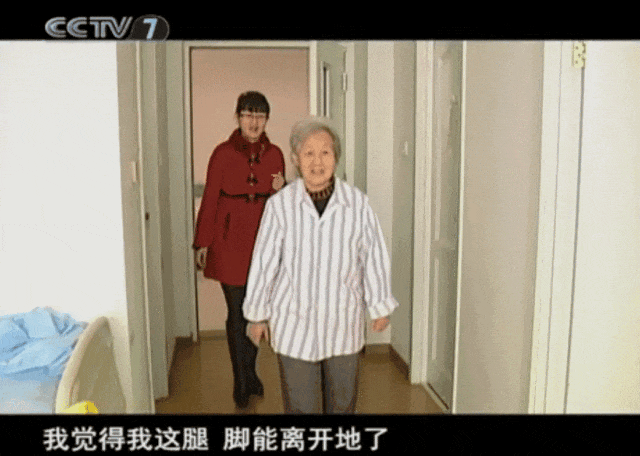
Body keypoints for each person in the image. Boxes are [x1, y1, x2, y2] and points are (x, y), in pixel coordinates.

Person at [242, 117, 398, 414]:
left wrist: (379, 306)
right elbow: (264, 262)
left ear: (336, 157)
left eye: (325, 152)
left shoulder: (357, 204)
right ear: (295, 159)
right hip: (294, 322)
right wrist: (258, 316)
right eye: (309, 153)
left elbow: (373, 255)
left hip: (343, 321)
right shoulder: (280, 206)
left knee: (342, 405)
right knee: (300, 408)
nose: (317, 162)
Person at [193, 91, 285, 409]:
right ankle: (241, 380)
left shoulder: (275, 154)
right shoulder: (221, 153)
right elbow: (210, 199)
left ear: (266, 119)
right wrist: (203, 241)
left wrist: (281, 188)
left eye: (260, 115)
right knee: (236, 312)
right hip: (228, 241)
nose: (254, 121)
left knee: (257, 311)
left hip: (263, 243)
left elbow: (283, 206)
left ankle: (251, 371)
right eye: (248, 114)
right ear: (238, 117)